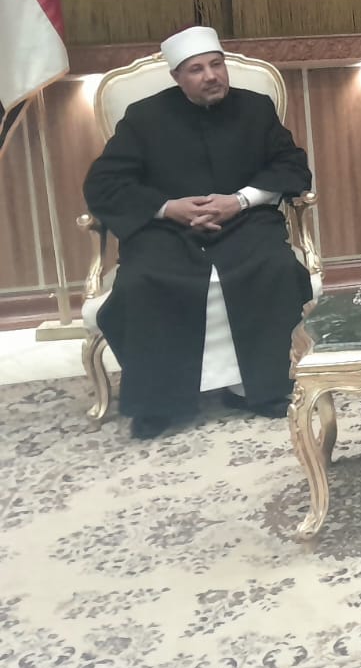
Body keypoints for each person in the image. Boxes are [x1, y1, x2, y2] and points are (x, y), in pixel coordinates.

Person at [82, 26, 313, 440]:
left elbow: (292, 166)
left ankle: (260, 389)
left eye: (216, 65)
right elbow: (105, 183)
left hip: (243, 221)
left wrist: (239, 200)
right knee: (143, 281)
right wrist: (168, 207)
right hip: (167, 229)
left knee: (273, 267)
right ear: (177, 77)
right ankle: (158, 403)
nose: (211, 76)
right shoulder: (143, 117)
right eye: (197, 69)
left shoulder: (256, 108)